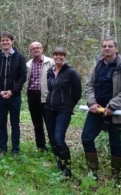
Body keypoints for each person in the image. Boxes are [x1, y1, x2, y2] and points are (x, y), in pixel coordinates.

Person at [81, 37, 121, 186]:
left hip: (115, 112)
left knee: (115, 143)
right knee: (86, 138)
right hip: (96, 110)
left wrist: (112, 106)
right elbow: (89, 85)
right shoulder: (98, 64)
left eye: (110, 46)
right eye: (104, 46)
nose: (106, 48)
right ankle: (92, 173)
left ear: (116, 49)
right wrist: (92, 102)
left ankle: (115, 177)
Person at [44, 47, 82, 178]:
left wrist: (69, 105)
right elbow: (50, 89)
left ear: (65, 57)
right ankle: (59, 162)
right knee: (52, 139)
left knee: (59, 138)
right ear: (53, 56)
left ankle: (68, 167)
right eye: (56, 55)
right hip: (49, 109)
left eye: (61, 55)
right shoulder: (50, 71)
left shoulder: (71, 72)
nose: (58, 57)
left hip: (63, 111)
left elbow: (77, 93)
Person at [0, 31, 27, 159]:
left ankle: (15, 149)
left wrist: (12, 91)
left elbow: (23, 76)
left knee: (15, 123)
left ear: (12, 41)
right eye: (3, 40)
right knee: (1, 123)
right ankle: (3, 148)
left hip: (14, 96)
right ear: (0, 42)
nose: (5, 42)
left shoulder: (20, 57)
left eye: (7, 40)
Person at [26, 42, 55, 152]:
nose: (36, 50)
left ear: (42, 49)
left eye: (38, 48)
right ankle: (41, 146)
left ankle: (54, 146)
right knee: (37, 123)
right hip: (32, 95)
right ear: (31, 51)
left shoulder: (50, 62)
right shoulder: (29, 64)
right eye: (33, 48)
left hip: (46, 96)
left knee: (49, 123)